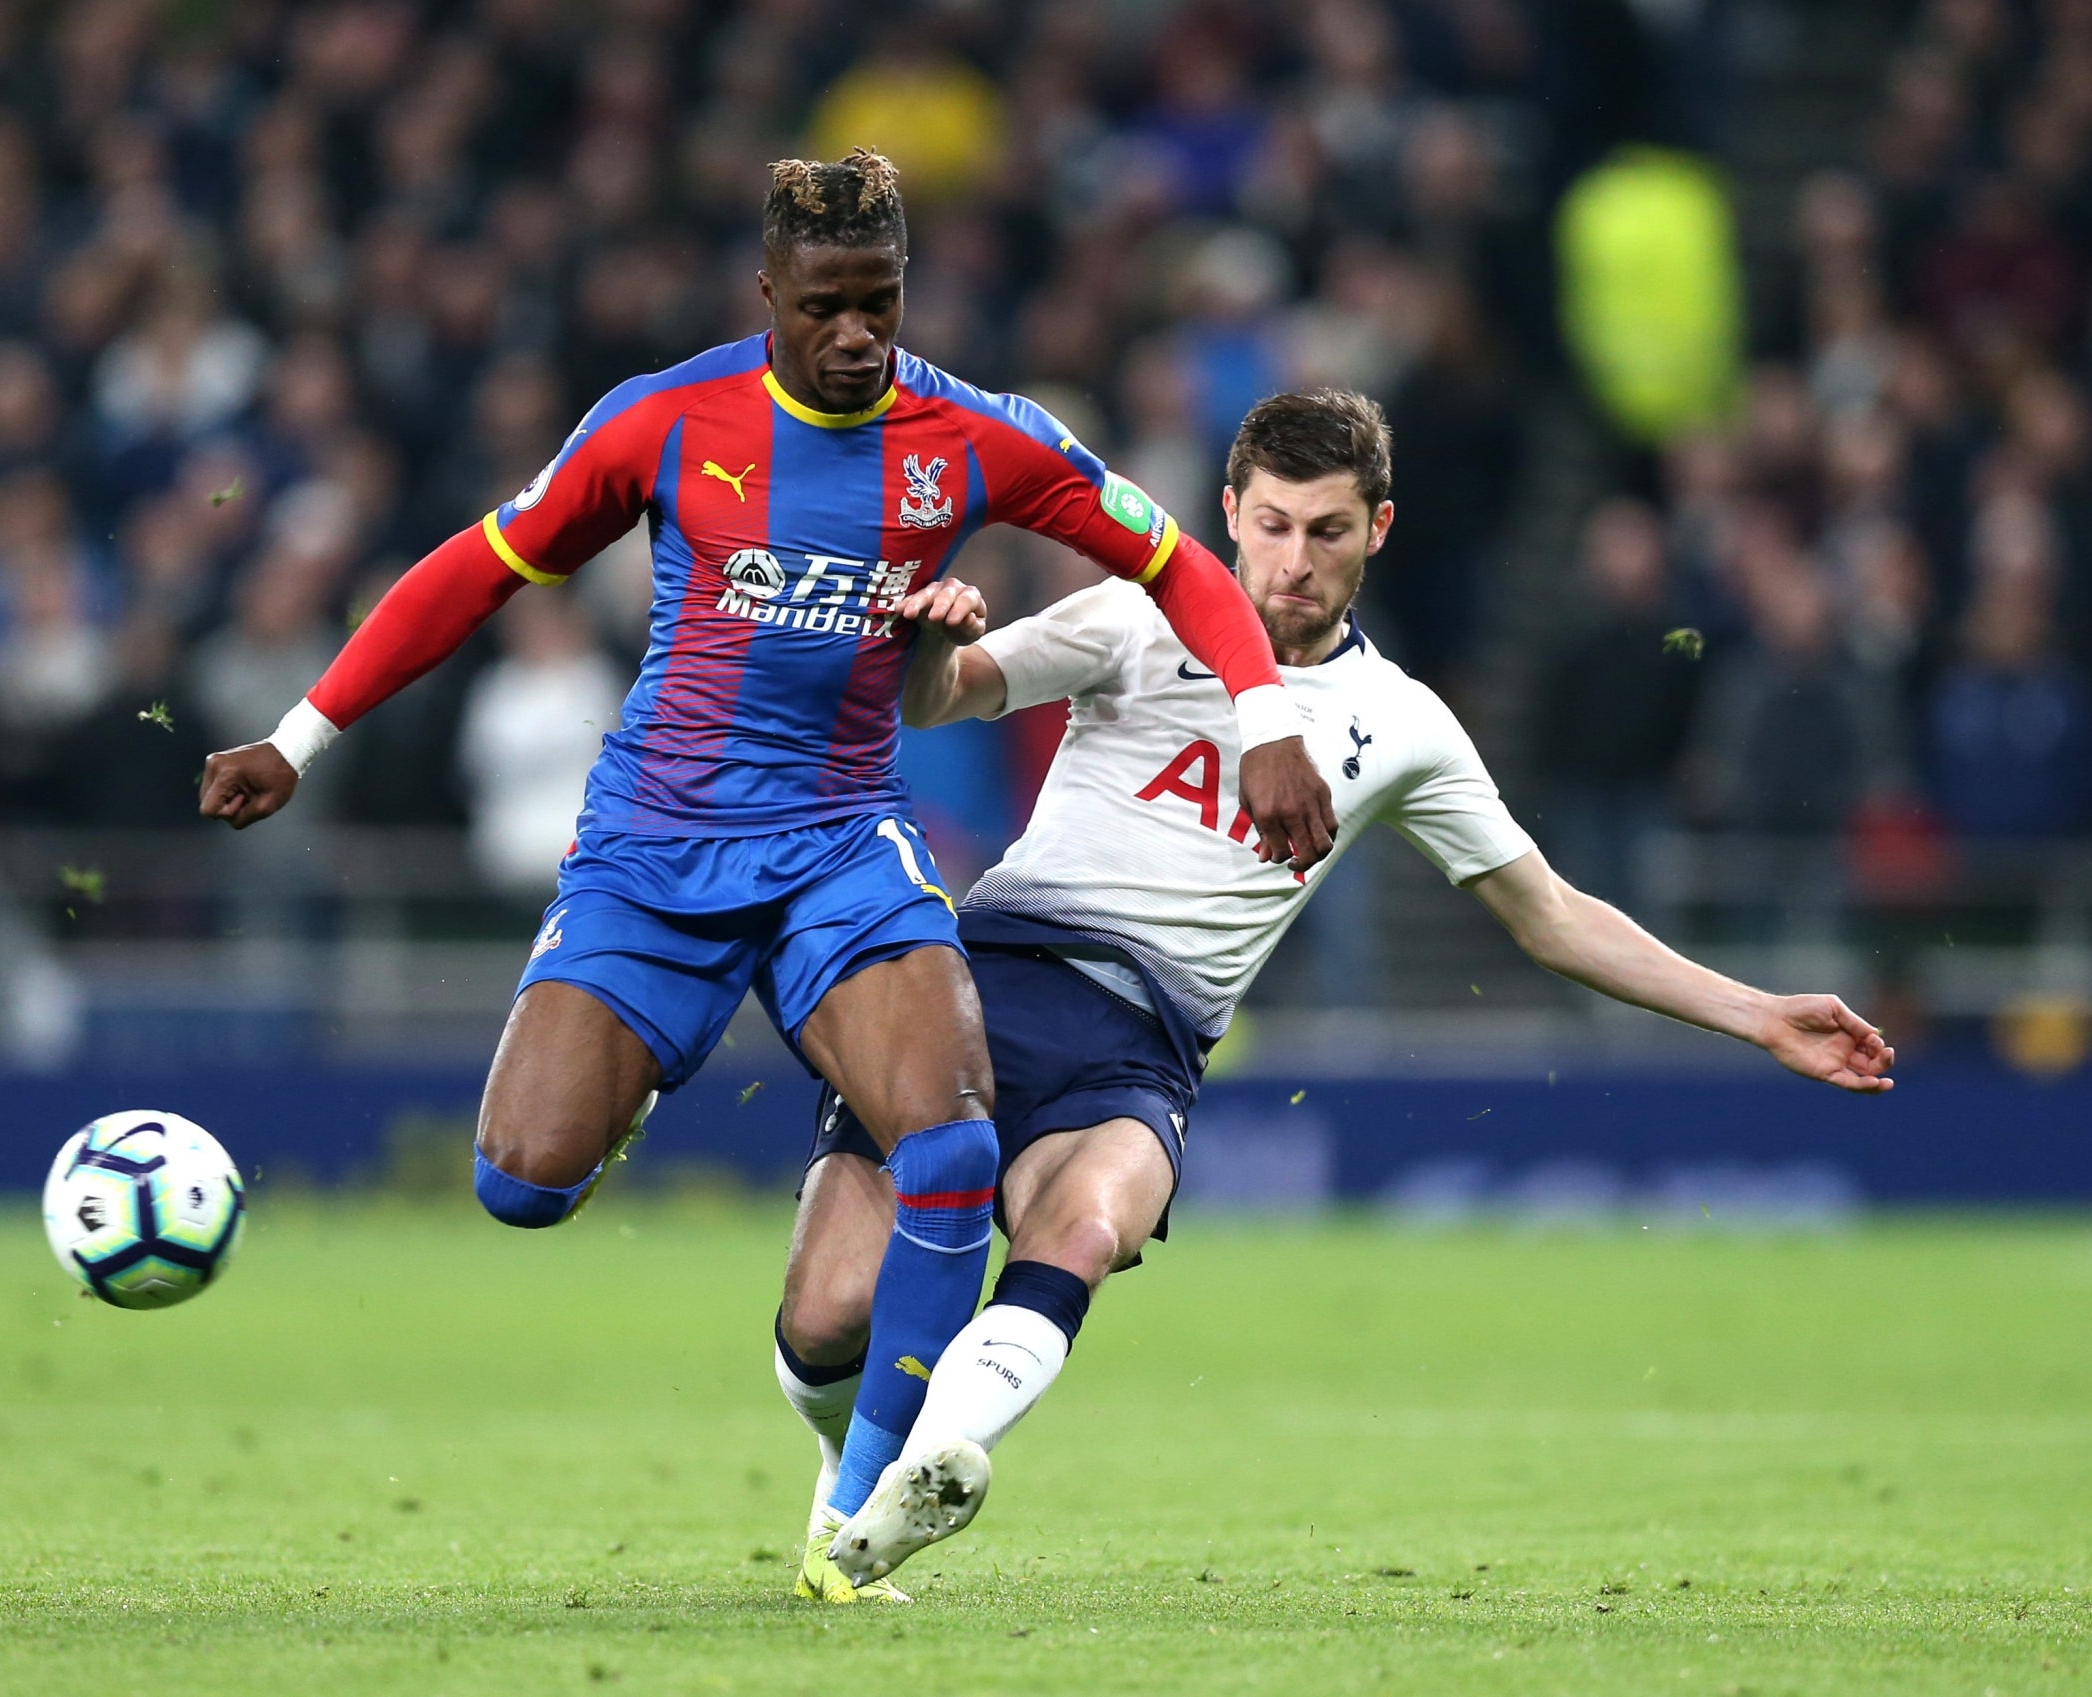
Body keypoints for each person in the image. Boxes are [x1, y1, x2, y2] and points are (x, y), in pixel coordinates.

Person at [194, 151, 1341, 1597]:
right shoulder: (666, 422)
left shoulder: (977, 437)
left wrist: (1267, 717)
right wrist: (302, 734)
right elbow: (479, 569)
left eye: (882, 302)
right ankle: (641, 1058)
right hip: (653, 847)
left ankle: (850, 1527)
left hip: (841, 843)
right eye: (828, 308)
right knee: (519, 1183)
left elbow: (1181, 561)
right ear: (770, 297)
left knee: (952, 1144)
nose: (859, 335)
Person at [777, 389, 1897, 1596]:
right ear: (1228, 515)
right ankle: (858, 1460)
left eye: (1325, 531)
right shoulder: (1132, 613)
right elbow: (941, 695)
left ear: (1379, 529)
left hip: (1142, 1044)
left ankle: (942, 1457)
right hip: (986, 982)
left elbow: (1552, 915)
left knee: (1088, 1223)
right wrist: (933, 635)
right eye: (1269, 526)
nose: (1292, 560)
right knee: (827, 1315)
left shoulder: (1403, 723)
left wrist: (1757, 1010)